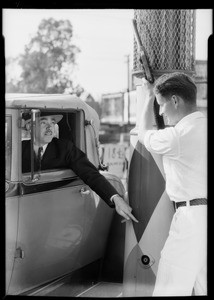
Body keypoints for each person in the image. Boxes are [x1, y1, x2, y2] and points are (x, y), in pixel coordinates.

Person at [138, 72, 207, 296]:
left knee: (170, 286)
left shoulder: (177, 137)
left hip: (191, 219)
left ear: (175, 100)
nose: (160, 111)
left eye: (161, 105)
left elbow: (143, 134)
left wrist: (148, 96)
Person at [22, 112, 138, 223]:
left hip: (56, 212)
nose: (49, 127)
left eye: (52, 123)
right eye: (43, 123)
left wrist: (116, 199)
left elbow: (90, 173)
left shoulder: (65, 148)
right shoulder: (18, 149)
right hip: (23, 208)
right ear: (30, 127)